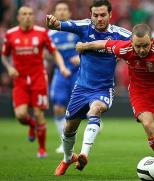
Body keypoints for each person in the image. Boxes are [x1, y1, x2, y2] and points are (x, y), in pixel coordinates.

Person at [76, 24, 154, 179]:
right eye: (138, 46)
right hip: (140, 92)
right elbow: (103, 44)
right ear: (131, 42)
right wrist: (84, 46)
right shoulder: (124, 48)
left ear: (152, 40)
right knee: (148, 125)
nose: (142, 50)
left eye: (145, 45)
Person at [46, 0, 131, 176]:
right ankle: (68, 158)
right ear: (90, 15)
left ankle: (84, 154)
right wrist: (53, 23)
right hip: (81, 88)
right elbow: (61, 25)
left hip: (103, 88)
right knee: (69, 127)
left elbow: (142, 40)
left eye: (103, 15)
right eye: (96, 15)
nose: (99, 19)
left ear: (110, 15)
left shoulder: (120, 34)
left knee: (96, 110)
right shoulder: (84, 26)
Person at [1, 6, 70, 158]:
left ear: (33, 17)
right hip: (19, 80)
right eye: (24, 14)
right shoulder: (11, 34)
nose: (27, 17)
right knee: (20, 115)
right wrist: (9, 67)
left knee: (39, 113)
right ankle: (31, 125)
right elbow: (4, 55)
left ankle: (42, 149)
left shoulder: (42, 33)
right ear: (18, 17)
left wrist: (62, 66)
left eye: (30, 14)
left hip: (38, 78)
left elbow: (54, 52)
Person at [49, 1, 81, 154]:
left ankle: (94, 121)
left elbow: (88, 48)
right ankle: (64, 142)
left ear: (69, 13)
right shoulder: (50, 34)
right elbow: (47, 54)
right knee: (58, 108)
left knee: (79, 107)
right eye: (58, 10)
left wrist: (80, 57)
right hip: (60, 74)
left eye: (64, 10)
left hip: (77, 73)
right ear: (55, 13)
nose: (61, 12)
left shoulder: (76, 30)